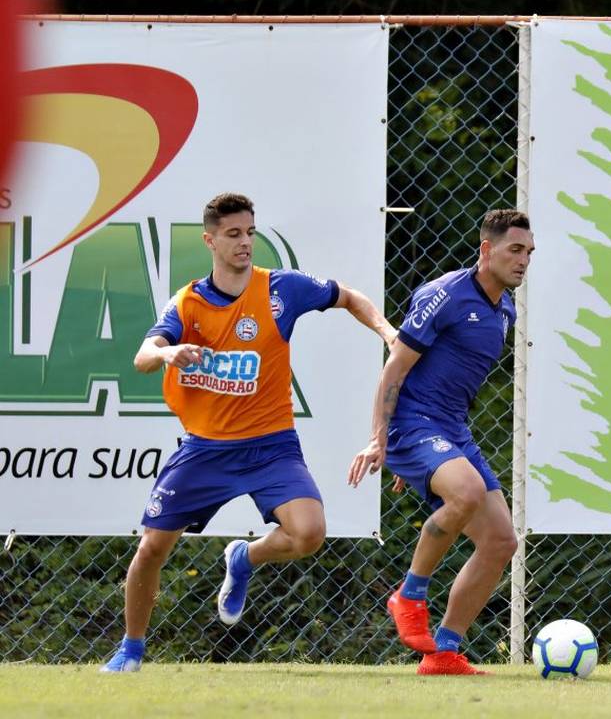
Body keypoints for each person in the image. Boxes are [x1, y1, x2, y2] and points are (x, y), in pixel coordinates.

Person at [100, 192, 395, 672]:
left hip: (270, 446)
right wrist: (168, 353)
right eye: (234, 235)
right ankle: (131, 649)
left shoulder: (282, 289)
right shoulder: (190, 302)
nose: (244, 243)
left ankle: (243, 559)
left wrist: (386, 331)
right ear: (210, 240)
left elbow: (349, 296)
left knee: (309, 534)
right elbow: (142, 356)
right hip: (206, 451)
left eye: (250, 233)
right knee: (152, 547)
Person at [349, 209, 534, 676]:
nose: (523, 261)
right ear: (486, 248)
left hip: (451, 432)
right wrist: (381, 441)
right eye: (515, 249)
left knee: (500, 541)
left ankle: (443, 653)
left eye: (529, 253)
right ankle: (408, 595)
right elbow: (395, 368)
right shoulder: (445, 295)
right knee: (467, 494)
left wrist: (432, 466)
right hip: (413, 424)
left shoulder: (505, 308)